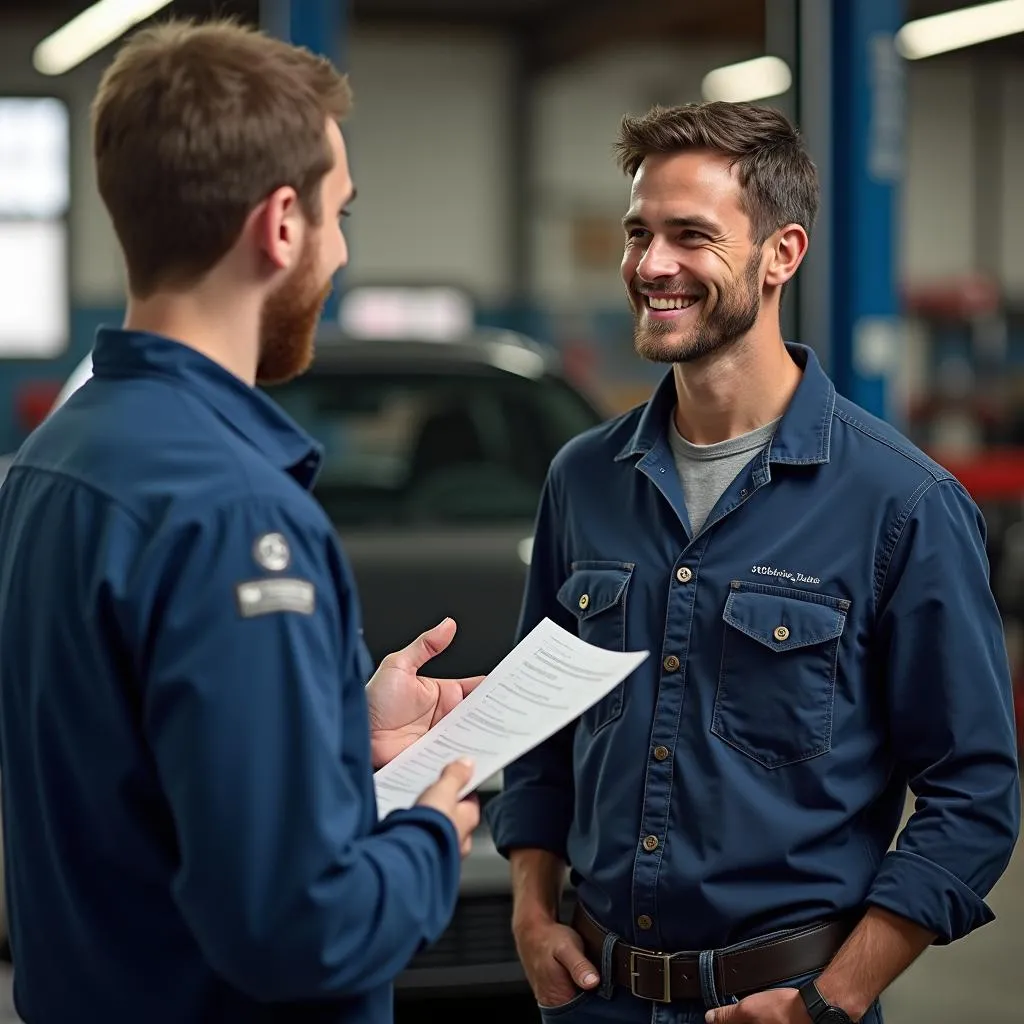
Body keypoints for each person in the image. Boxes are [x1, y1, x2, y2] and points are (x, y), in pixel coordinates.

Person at [485, 101, 1021, 1024]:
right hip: (591, 997)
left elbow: (973, 799)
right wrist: (533, 914)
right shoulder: (584, 479)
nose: (652, 265)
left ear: (782, 254)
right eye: (639, 233)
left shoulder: (903, 504)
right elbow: (540, 736)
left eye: (690, 236)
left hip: (785, 1007)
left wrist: (832, 999)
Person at [0, 19, 484, 1024]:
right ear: (279, 226)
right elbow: (299, 928)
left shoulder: (55, 463)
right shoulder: (231, 508)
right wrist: (431, 835)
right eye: (339, 213)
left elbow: (138, 772)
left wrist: (341, 731)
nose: (342, 250)